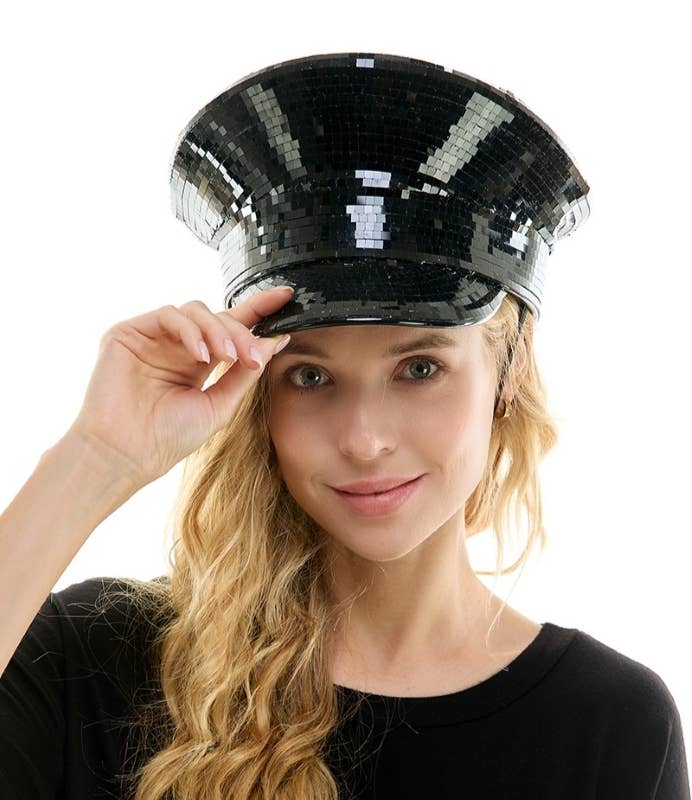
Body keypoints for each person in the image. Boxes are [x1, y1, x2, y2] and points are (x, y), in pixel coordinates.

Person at [0, 52, 688, 800]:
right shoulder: (98, 667)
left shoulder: (609, 725)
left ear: (511, 365)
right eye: (311, 375)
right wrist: (92, 458)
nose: (364, 438)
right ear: (260, 388)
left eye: (419, 368)